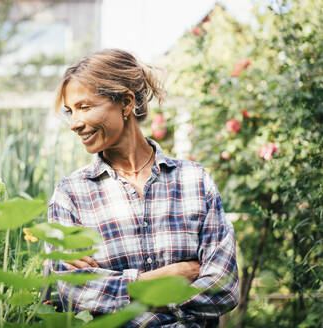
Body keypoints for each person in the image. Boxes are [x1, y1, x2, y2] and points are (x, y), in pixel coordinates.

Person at [46, 49, 239, 327]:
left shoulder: (194, 181)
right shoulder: (71, 196)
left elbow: (223, 286)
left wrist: (116, 291)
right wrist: (154, 281)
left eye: (85, 107)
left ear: (125, 103)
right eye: (70, 111)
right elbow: (74, 291)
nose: (75, 123)